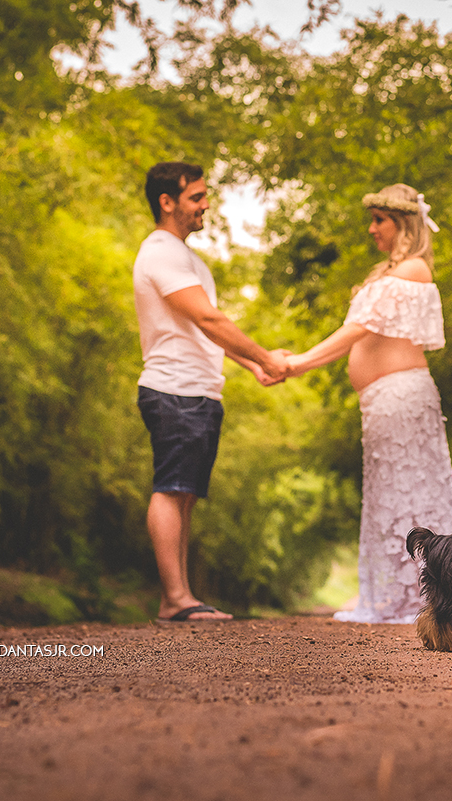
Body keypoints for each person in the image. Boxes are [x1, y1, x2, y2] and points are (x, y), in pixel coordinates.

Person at [285, 183, 452, 623]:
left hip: (403, 397)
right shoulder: (389, 272)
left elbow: (360, 326)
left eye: (379, 220)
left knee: (413, 496)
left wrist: (300, 362)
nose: (372, 229)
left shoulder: (415, 269)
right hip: (383, 403)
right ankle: (392, 596)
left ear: (403, 223)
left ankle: (425, 596)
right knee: (387, 500)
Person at [133, 161, 290, 622]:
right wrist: (264, 356)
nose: (206, 205)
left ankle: (179, 598)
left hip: (199, 390)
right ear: (167, 202)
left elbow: (204, 331)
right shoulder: (160, 252)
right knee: (170, 488)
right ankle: (176, 598)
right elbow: (209, 319)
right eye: (197, 197)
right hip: (173, 389)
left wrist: (251, 365)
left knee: (185, 494)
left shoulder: (188, 257)